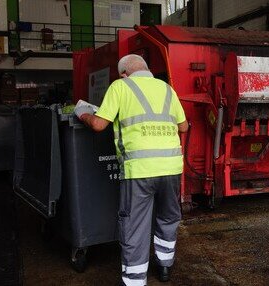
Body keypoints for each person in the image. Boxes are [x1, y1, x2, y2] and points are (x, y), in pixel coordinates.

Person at [74, 54, 188, 286]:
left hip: (139, 170)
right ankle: (165, 266)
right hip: (172, 168)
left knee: (135, 225)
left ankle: (135, 281)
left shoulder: (120, 87)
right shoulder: (167, 88)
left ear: (124, 73)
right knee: (168, 217)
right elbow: (184, 127)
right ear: (146, 69)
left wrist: (83, 113)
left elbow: (98, 125)